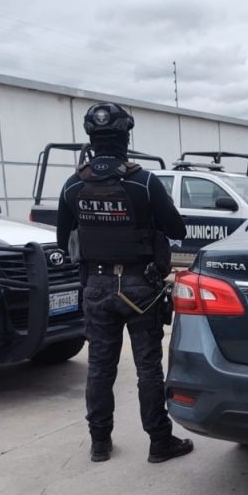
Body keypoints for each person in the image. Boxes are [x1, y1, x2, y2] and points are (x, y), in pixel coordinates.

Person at [57, 102, 193, 464]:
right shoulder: (143, 182)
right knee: (148, 366)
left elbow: (62, 240)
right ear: (126, 137)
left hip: (96, 286)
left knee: (100, 367)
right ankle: (159, 442)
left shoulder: (73, 185)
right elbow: (177, 229)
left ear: (91, 138)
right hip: (140, 288)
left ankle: (100, 443)